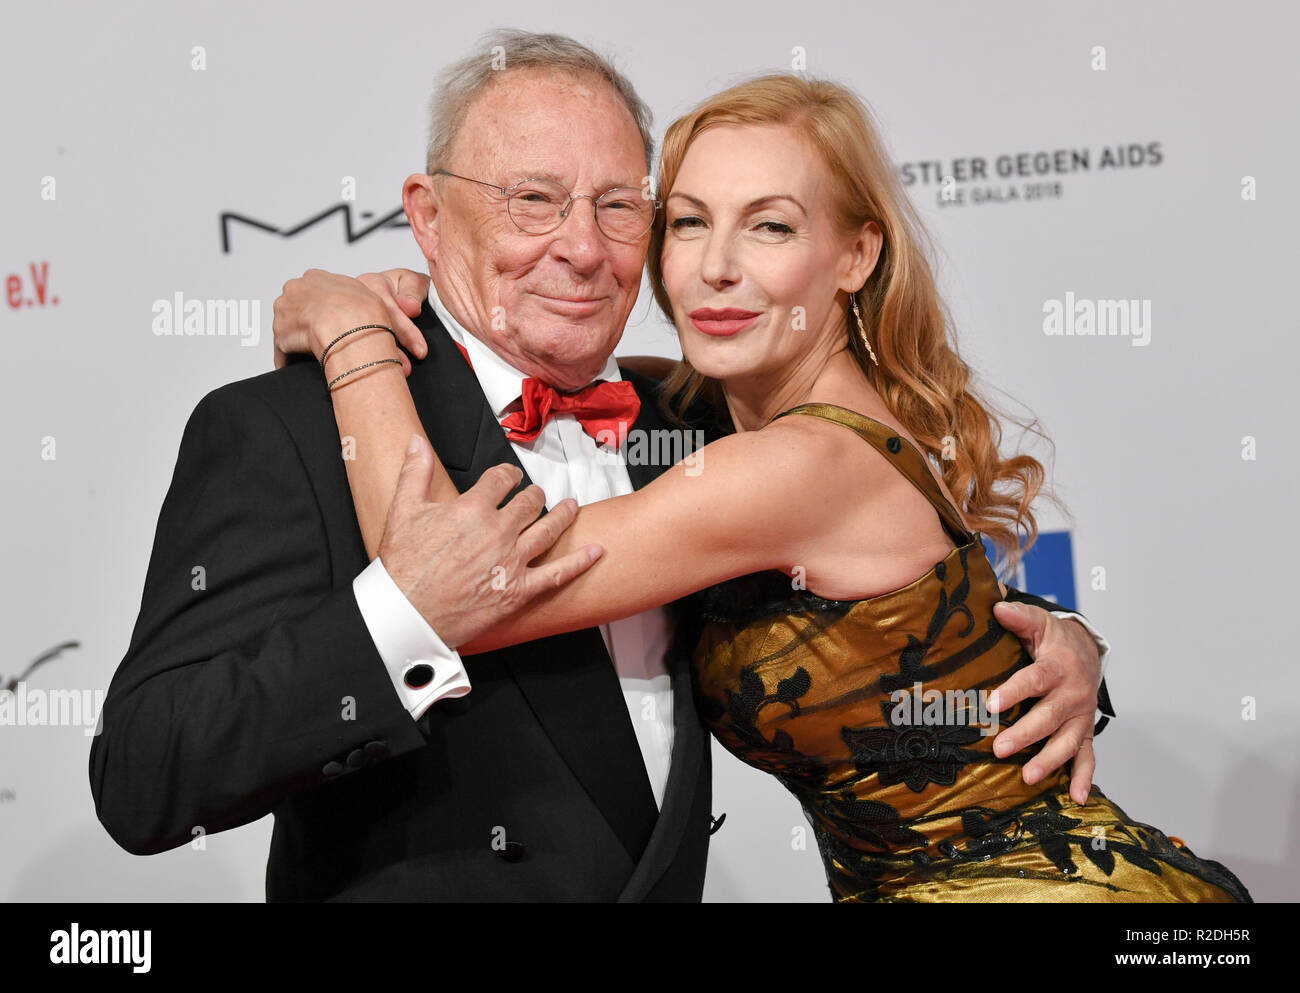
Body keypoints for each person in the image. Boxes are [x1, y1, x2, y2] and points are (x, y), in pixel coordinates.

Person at [92, 30, 1104, 903]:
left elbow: (906, 614)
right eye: (534, 200)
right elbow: (148, 775)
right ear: (430, 215)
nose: (582, 249)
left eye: (621, 206)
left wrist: (1062, 645)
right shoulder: (288, 432)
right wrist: (400, 619)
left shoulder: (712, 425)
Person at [273, 65, 1250, 902]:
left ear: (854, 255)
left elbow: (453, 577)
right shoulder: (765, 417)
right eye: (688, 223)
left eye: (770, 228)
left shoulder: (792, 466)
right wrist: (1071, 642)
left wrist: (351, 333)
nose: (715, 270)